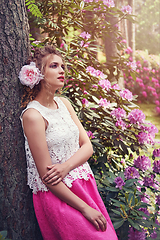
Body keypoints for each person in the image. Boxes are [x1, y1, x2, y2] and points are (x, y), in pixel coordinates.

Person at [20, 45, 118, 240]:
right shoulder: (33, 115)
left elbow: (87, 146)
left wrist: (65, 167)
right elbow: (47, 176)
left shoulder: (64, 103)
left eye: (63, 66)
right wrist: (85, 209)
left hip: (84, 186)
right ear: (39, 73)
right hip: (59, 196)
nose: (62, 70)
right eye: (54, 66)